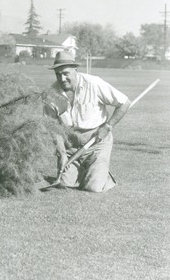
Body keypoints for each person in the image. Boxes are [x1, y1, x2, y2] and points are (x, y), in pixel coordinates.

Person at [43, 51, 131, 192]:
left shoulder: (94, 84)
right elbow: (53, 128)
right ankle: (86, 170)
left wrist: (108, 126)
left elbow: (124, 102)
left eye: (66, 73)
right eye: (58, 74)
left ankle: (101, 174)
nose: (62, 78)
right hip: (71, 146)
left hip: (97, 143)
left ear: (75, 70)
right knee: (65, 184)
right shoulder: (51, 94)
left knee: (93, 188)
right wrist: (62, 154)